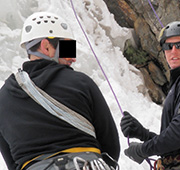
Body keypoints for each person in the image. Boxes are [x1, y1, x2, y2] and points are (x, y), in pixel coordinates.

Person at [0, 12, 120, 170]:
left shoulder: (4, 97)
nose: (73, 58)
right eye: (68, 48)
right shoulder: (81, 82)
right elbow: (111, 147)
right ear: (46, 46)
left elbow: (12, 163)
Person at [120, 21, 180, 170]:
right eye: (168, 46)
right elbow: (179, 144)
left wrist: (143, 150)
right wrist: (143, 134)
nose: (173, 51)